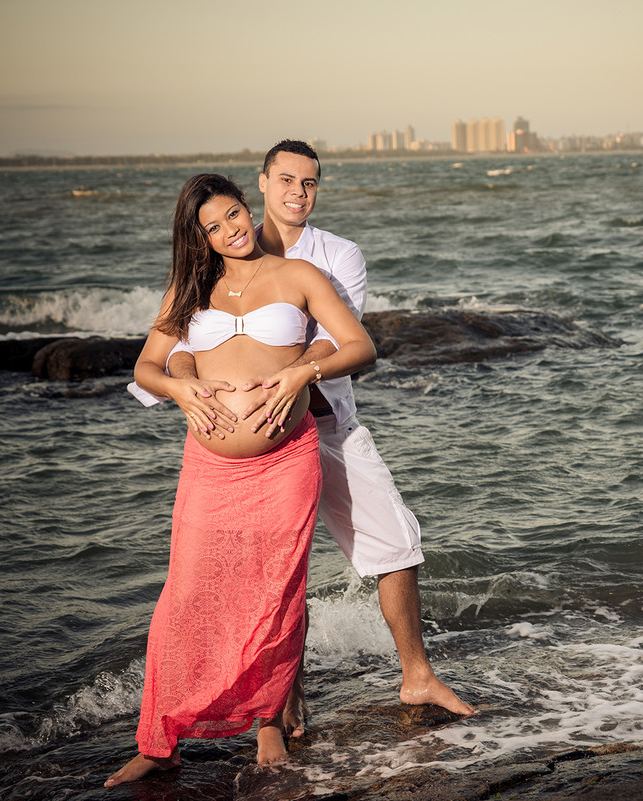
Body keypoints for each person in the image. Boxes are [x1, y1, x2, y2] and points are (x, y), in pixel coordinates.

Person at [147, 140, 474, 731]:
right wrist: (187, 375)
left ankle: (417, 675)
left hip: (324, 426)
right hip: (245, 452)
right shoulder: (216, 261)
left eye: (310, 183)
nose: (298, 192)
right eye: (287, 180)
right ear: (261, 185)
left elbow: (334, 338)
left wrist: (297, 371)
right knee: (272, 573)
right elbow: (178, 350)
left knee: (395, 541)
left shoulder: (334, 256)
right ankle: (283, 704)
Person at [107, 174, 376, 786]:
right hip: (209, 465)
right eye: (216, 226)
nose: (232, 230)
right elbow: (147, 366)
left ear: (246, 207)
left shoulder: (297, 276)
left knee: (274, 592)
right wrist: (180, 388)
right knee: (187, 595)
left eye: (235, 214)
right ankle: (159, 739)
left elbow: (360, 346)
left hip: (286, 461)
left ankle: (268, 724)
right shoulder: (191, 287)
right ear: (199, 237)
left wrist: (302, 371)